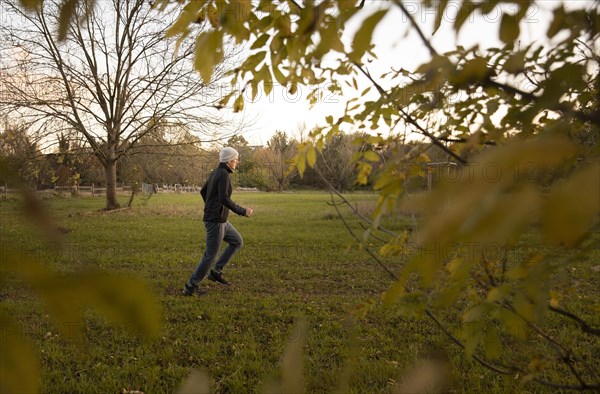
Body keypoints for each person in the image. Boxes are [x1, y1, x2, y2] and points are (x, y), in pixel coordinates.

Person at [183, 147, 253, 296]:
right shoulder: (223, 175)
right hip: (216, 221)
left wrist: (210, 206)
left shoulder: (216, 172)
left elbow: (203, 191)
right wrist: (243, 211)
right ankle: (190, 286)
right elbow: (224, 199)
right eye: (235, 159)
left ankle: (216, 271)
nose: (237, 162)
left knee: (237, 241)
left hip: (220, 220)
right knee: (210, 255)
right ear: (229, 161)